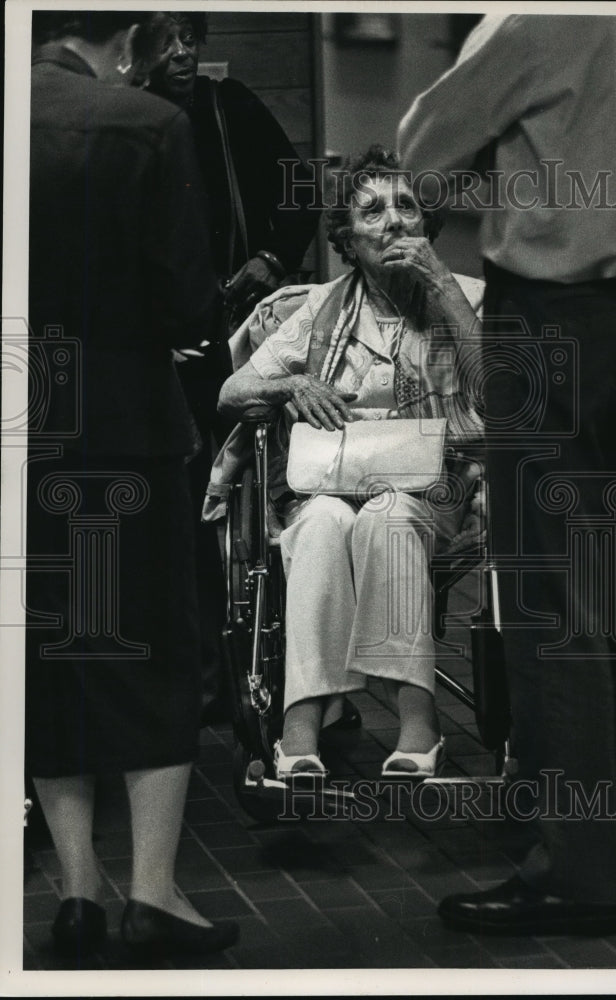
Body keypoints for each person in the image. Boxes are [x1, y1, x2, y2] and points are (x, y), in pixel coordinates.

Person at [399, 14, 616, 935]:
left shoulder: (528, 20)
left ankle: (574, 871)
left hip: (550, 317)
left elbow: (419, 161)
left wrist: (505, 173)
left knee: (553, 605)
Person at [27, 12, 237, 959]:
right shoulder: (146, 124)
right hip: (126, 423)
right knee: (152, 647)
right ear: (126, 36)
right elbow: (187, 301)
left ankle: (75, 893)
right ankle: (154, 893)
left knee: (46, 656)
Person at [214, 147, 485, 779]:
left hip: (437, 490)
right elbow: (230, 391)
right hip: (331, 487)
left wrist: (443, 286)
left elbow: (508, 397)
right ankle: (299, 726)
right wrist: (288, 388)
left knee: (385, 517)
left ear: (428, 223)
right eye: (372, 211)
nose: (393, 221)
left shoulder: (467, 295)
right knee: (324, 525)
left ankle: (418, 719)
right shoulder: (320, 309)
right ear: (347, 237)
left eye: (407, 207)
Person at [142, 11, 322, 723]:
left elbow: (298, 195)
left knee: (247, 493)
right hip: (170, 335)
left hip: (236, 327)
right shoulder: (140, 120)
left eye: (192, 39)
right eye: (169, 41)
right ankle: (202, 667)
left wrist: (269, 260)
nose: (183, 53)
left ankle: (247, 661)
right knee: (189, 497)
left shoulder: (229, 107)